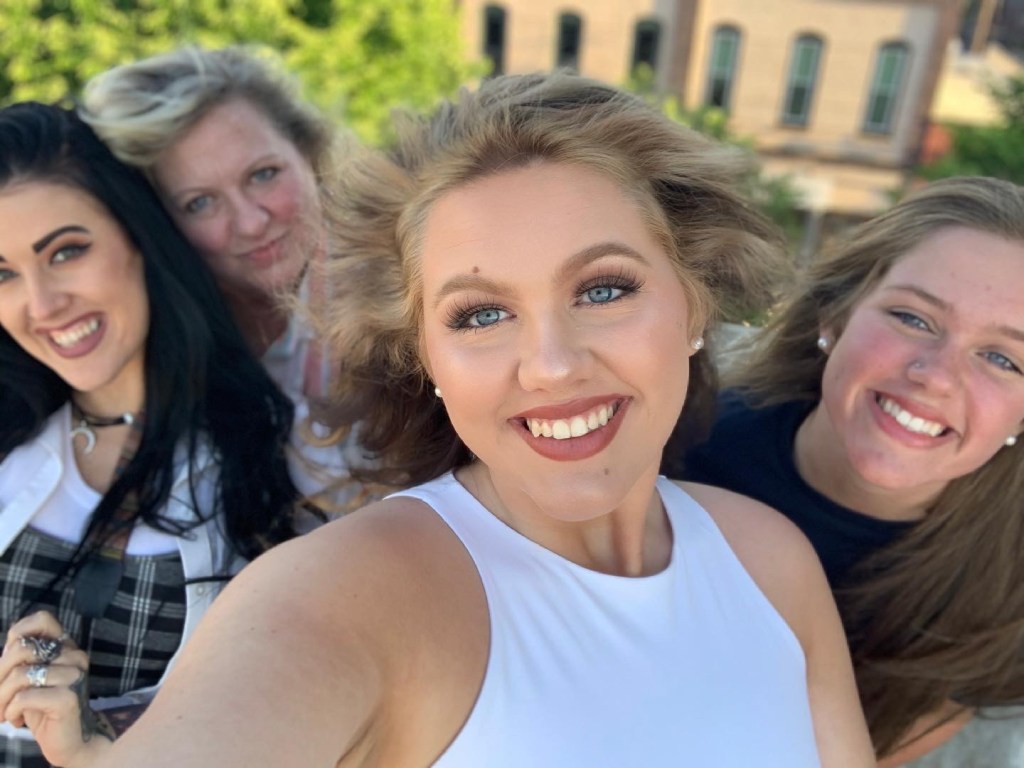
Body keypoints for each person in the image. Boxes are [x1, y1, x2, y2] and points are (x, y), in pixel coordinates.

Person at [15, 73, 875, 767]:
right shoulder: (353, 591)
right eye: (480, 314)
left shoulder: (771, 559)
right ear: (423, 355)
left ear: (695, 304)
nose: (551, 364)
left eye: (604, 289)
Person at [669, 176, 1024, 765]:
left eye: (1001, 358)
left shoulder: (1005, 588)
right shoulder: (671, 446)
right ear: (834, 316)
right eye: (913, 318)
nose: (936, 376)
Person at [0, 102, 307, 766]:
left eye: (67, 252)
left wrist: (99, 737)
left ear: (137, 238)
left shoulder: (280, 453)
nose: (42, 303)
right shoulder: (13, 436)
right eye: (3, 274)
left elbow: (306, 712)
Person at [80, 45, 359, 503]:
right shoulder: (148, 337)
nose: (251, 222)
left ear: (308, 153)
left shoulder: (404, 290)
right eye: (200, 203)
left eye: (264, 174)